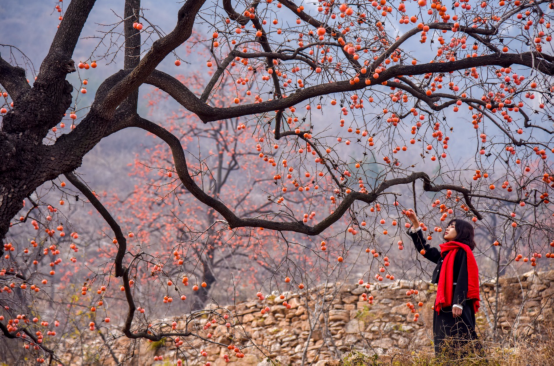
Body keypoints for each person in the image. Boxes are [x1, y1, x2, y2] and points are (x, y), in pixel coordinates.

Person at [404, 209, 482, 359]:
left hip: (457, 306)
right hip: (444, 304)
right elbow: (424, 250)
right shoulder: (446, 254)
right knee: (444, 344)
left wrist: (458, 303)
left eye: (452, 226)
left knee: (463, 344)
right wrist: (415, 223)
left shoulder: (463, 252)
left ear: (462, 232)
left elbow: (464, 277)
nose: (447, 228)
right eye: (448, 225)